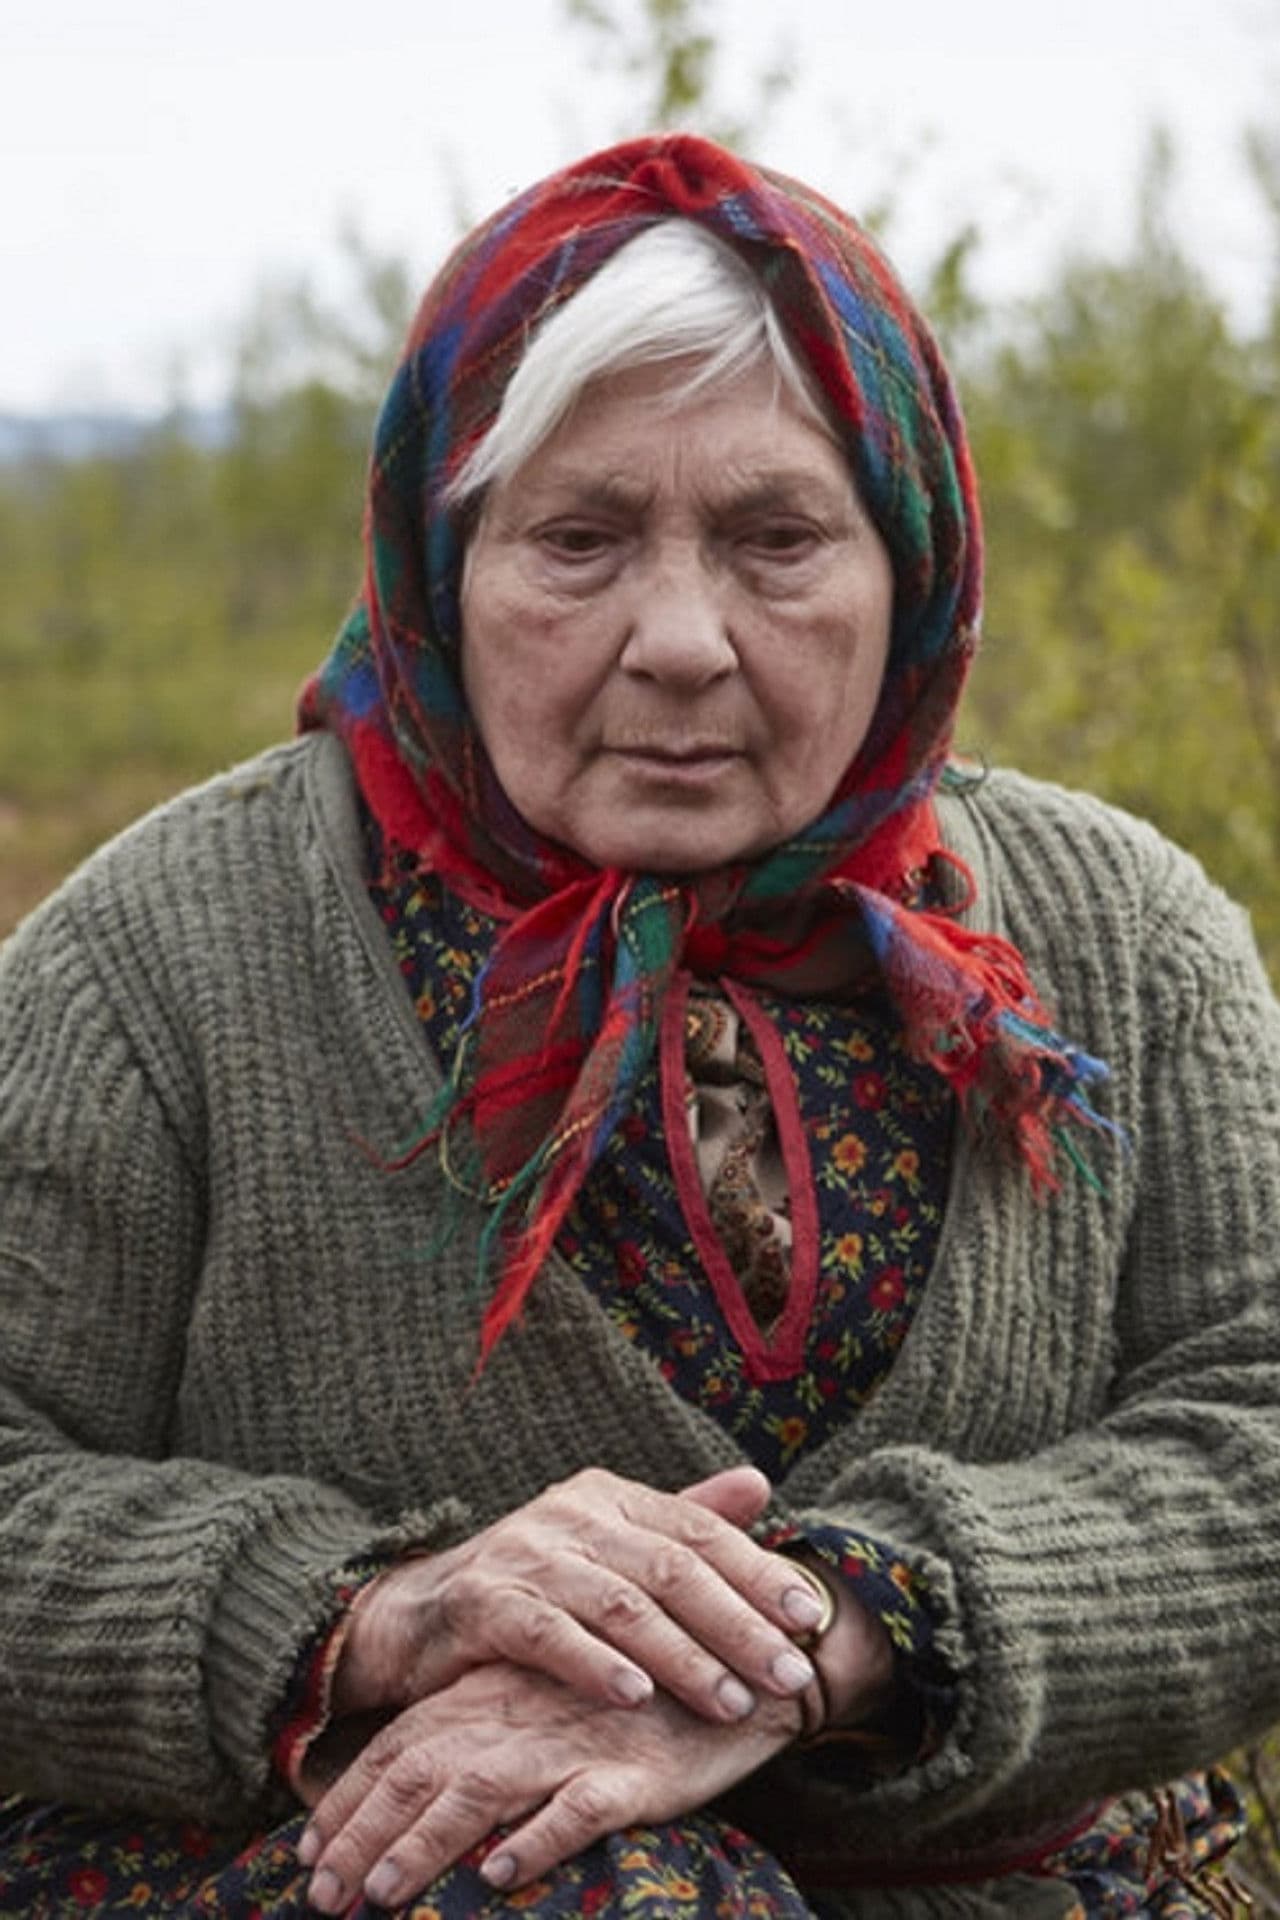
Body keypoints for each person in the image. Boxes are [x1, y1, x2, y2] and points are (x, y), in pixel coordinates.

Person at [0, 132, 1277, 1920]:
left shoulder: (1126, 941)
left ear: (911, 567)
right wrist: (378, 1621)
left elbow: (1257, 1432)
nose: (680, 637)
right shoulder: (161, 960)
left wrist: (828, 1629)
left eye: (776, 539)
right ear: (440, 573)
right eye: (578, 540)